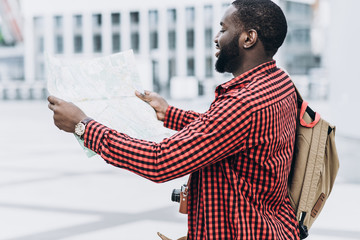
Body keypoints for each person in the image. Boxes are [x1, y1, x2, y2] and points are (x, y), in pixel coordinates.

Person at [48, 0, 300, 239]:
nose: (216, 39)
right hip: (273, 227)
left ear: (248, 38)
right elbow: (225, 130)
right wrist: (169, 114)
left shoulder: (243, 103)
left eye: (223, 29)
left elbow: (160, 161)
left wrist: (83, 127)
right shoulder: (279, 84)